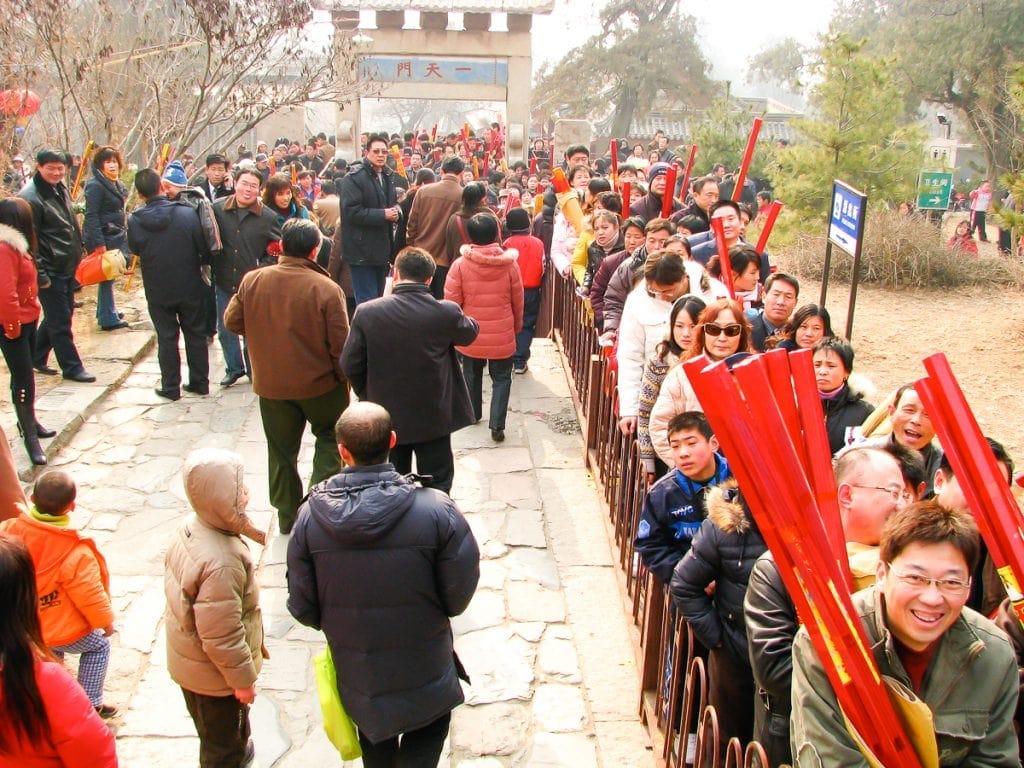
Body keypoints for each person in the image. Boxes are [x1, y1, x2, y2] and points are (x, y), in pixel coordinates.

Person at [286, 402, 480, 766]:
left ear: (342, 451)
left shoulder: (310, 517)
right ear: (392, 441)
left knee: (376, 745)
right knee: (427, 735)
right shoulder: (437, 509)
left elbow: (302, 605)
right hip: (425, 663)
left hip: (362, 675)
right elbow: (458, 593)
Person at [789, 500, 1018, 766]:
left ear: (969, 588)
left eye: (951, 582)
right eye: (915, 578)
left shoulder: (993, 655)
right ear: (882, 574)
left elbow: (995, 760)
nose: (932, 598)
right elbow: (828, 758)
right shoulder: (829, 643)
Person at [744, 446, 910, 766]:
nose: (901, 504)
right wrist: (869, 684)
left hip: (891, 741)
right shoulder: (784, 567)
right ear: (846, 494)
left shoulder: (907, 571)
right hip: (796, 735)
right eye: (892, 492)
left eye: (905, 494)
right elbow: (774, 668)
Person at [225, 219, 349, 535]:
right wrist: (343, 378)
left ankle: (286, 515)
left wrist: (263, 332)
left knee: (280, 452)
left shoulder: (253, 281)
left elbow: (231, 321)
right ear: (315, 249)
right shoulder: (326, 288)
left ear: (281, 246)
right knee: (330, 438)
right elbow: (340, 345)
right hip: (320, 384)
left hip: (271, 385)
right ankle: (318, 506)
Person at [340, 247, 479, 494]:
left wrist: (368, 392)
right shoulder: (445, 312)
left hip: (386, 413)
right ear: (429, 279)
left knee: (391, 482)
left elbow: (350, 363)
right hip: (433, 411)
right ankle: (435, 524)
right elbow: (469, 333)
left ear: (396, 274)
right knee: (437, 482)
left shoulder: (367, 312)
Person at [165, 447, 265, 768]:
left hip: (193, 666)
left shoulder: (193, 525)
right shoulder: (221, 561)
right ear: (220, 499)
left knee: (216, 732)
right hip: (216, 678)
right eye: (239, 489)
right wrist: (242, 681)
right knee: (221, 749)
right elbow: (223, 634)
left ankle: (238, 748)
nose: (246, 492)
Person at [0, 471, 118, 718]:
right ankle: (90, 702)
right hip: (62, 627)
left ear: (31, 499)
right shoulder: (75, 550)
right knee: (98, 647)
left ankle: (56, 700)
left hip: (26, 624)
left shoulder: (8, 530)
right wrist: (104, 622)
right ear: (71, 507)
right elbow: (89, 594)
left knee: (52, 657)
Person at [0, 534, 117, 767]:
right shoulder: (45, 683)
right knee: (98, 647)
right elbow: (95, 759)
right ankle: (95, 700)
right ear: (26, 602)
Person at [671, 481, 766, 752]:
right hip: (735, 652)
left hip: (783, 660)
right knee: (727, 739)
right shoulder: (723, 527)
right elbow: (684, 583)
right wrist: (717, 637)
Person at [128, 168, 211, 400]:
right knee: (195, 333)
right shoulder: (187, 214)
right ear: (163, 187)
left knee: (166, 336)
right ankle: (200, 382)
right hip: (190, 283)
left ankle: (171, 387)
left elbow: (134, 248)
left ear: (140, 194)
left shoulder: (135, 220)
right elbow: (202, 247)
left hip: (158, 287)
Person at [444, 212, 524, 443]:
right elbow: (518, 301)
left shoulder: (460, 265)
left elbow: (452, 303)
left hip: (471, 333)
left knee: (471, 374)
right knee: (502, 379)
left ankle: (473, 413)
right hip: (501, 334)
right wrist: (515, 327)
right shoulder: (510, 265)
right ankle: (497, 425)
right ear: (497, 234)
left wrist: (454, 333)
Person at [20, 149, 95, 383]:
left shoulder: (58, 187)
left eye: (60, 168)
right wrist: (41, 274)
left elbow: (68, 223)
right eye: (50, 167)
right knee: (60, 319)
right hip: (49, 268)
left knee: (60, 315)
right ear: (39, 167)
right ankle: (72, 367)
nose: (56, 172)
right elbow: (29, 241)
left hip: (65, 263)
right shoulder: (31, 198)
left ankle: (36, 355)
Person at [635, 411, 732, 587]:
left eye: (691, 443)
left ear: (714, 443)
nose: (683, 453)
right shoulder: (662, 494)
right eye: (675, 446)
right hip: (690, 589)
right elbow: (651, 546)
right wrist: (690, 579)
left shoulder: (741, 481)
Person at [650, 299, 753, 465]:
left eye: (731, 330)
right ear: (703, 332)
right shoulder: (682, 375)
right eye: (713, 329)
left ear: (742, 334)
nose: (722, 337)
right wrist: (687, 465)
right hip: (694, 477)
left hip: (745, 475)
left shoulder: (754, 374)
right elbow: (659, 426)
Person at [616, 251, 702, 436]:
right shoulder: (638, 301)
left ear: (684, 279)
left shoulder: (710, 294)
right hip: (656, 398)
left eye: (668, 291)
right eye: (656, 291)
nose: (662, 297)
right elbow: (630, 355)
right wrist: (630, 409)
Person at [212, 168, 282, 387]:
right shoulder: (217, 209)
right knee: (225, 328)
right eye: (244, 183)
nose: (248, 189)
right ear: (235, 183)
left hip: (251, 283)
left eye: (253, 185)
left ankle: (254, 370)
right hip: (224, 278)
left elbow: (276, 249)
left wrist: (264, 268)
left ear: (259, 189)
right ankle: (234, 369)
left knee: (252, 331)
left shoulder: (268, 216)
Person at [0, 198, 53, 464]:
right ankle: (29, 437)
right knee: (24, 380)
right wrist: (12, 328)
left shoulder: (19, 246)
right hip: (15, 324)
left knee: (25, 375)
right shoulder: (4, 248)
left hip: (28, 317)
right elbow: (5, 294)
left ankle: (30, 421)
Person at [637, 295, 706, 480]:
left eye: (693, 327)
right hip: (667, 454)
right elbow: (645, 413)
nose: (686, 333)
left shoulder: (709, 361)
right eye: (679, 325)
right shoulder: (660, 361)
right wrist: (647, 459)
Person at [339, 134, 401, 304]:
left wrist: (397, 211)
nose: (381, 155)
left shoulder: (388, 175)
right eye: (376, 151)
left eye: (384, 152)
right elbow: (351, 212)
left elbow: (393, 203)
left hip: (382, 250)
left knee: (382, 300)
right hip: (361, 251)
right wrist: (383, 215)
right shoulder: (353, 178)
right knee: (367, 302)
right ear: (367, 152)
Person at [82, 145, 129, 331]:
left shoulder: (116, 183)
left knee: (110, 274)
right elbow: (91, 215)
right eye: (108, 162)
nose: (112, 165)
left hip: (114, 234)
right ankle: (107, 317)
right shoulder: (95, 185)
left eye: (114, 161)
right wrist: (99, 243)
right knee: (105, 276)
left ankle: (106, 311)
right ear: (100, 164)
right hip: (102, 236)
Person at [406, 155, 465, 299]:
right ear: (462, 173)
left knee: (418, 303)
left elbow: (412, 224)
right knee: (441, 303)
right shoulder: (464, 195)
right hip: (447, 261)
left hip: (421, 254)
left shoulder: (423, 191)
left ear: (442, 171)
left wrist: (412, 245)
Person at [813, 337, 874, 455]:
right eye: (817, 365)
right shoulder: (796, 405)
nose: (822, 371)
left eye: (831, 366)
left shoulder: (864, 412)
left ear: (847, 372)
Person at [503, 207, 545, 374]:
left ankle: (507, 356)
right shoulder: (538, 242)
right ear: (528, 223)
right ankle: (520, 361)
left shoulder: (507, 244)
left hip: (510, 290)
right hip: (532, 289)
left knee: (509, 322)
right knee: (526, 324)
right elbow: (542, 267)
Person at [748, 273, 799, 352]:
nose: (781, 302)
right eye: (776, 294)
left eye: (788, 296)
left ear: (795, 303)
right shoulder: (746, 331)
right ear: (764, 296)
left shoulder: (798, 335)